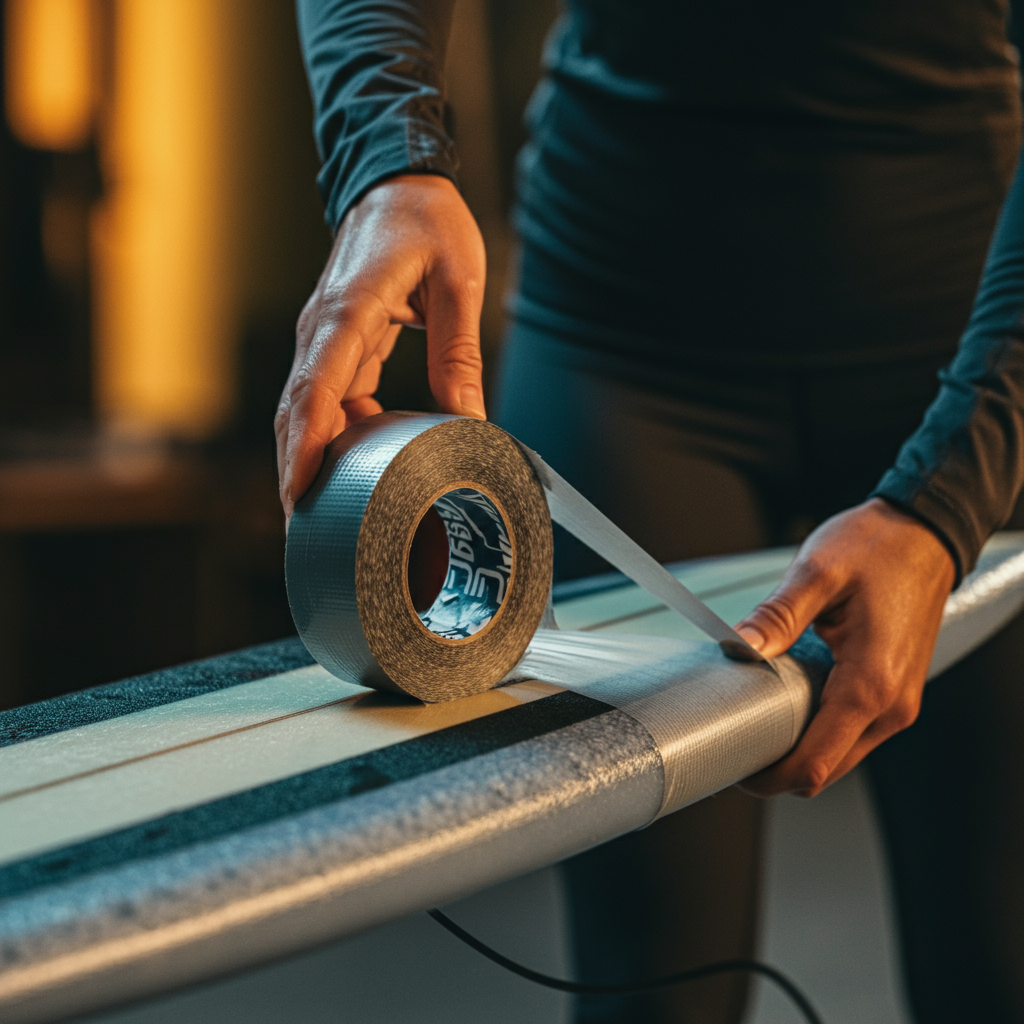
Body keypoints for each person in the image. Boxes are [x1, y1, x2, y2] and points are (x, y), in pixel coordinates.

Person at [279, 2, 1024, 1021]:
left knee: (996, 951)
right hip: (620, 346)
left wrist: (946, 499)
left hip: (960, 332)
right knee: (653, 979)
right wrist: (386, 162)